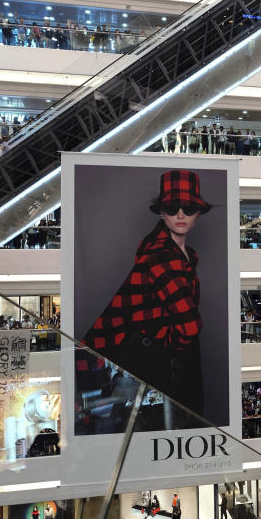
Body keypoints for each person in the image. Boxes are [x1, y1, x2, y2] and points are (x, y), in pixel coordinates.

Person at [78, 170, 213, 420]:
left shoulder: (183, 254)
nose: (180, 214)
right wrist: (165, 341)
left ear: (198, 212)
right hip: (161, 367)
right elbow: (189, 326)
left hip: (158, 364)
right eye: (172, 208)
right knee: (171, 427)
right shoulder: (161, 255)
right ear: (161, 212)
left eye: (189, 207)